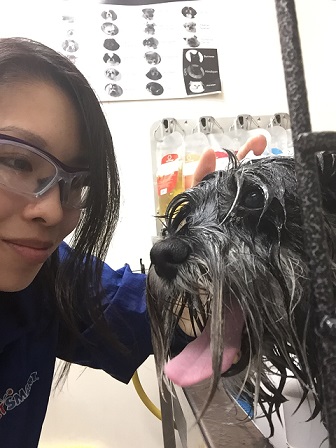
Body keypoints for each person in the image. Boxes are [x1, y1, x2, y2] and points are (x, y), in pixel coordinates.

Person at [0, 36, 266, 447]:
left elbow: (147, 310)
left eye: (78, 183)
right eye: (17, 162)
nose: (53, 211)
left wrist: (214, 245)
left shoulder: (47, 281)